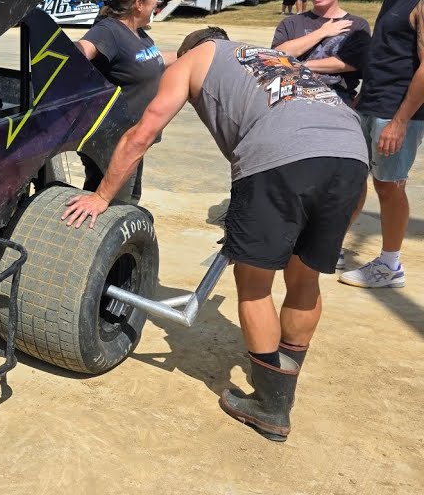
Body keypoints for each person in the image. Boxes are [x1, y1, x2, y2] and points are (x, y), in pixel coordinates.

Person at [62, 26, 367, 442]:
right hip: (351, 157)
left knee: (254, 285)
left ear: (193, 48)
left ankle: (270, 406)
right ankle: (285, 380)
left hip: (280, 160)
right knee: (304, 277)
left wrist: (101, 196)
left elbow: (142, 132)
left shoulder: (194, 60)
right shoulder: (270, 57)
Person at [340, 0, 424, 289]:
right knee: (355, 175)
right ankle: (333, 243)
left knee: (389, 185)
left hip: (398, 109)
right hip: (375, 100)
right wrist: (364, 94)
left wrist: (400, 121)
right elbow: (388, 50)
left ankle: (390, 265)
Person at [74, 0, 171, 202]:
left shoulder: (139, 33)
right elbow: (80, 52)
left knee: (130, 199)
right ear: (139, 4)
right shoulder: (109, 30)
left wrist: (193, 54)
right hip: (112, 139)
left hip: (135, 135)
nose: (157, 3)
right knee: (109, 203)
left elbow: (153, 59)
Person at [271, 0, 371, 106]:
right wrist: (322, 32)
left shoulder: (357, 24)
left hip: (336, 100)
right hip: (292, 100)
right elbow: (277, 56)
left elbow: (350, 63)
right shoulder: (292, 23)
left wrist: (299, 65)